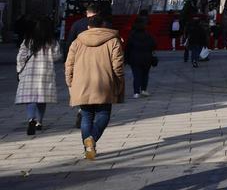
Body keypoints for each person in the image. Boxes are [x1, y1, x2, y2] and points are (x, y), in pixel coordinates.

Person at [65, 13, 124, 160]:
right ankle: (92, 138)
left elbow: (69, 65)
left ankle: (88, 147)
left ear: (88, 27)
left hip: (82, 84)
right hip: (104, 84)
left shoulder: (77, 42)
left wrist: (70, 82)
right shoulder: (113, 41)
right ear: (103, 25)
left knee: (86, 117)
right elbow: (118, 66)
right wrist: (119, 82)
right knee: (104, 114)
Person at [15, 16, 60, 136]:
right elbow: (57, 56)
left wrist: (19, 70)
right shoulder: (52, 41)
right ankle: (39, 122)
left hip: (29, 73)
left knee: (31, 99)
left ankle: (31, 119)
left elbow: (21, 56)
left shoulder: (28, 40)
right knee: (41, 99)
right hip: (45, 73)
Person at [126, 18, 157, 99]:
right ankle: (143, 89)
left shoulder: (132, 36)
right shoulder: (149, 36)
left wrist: (126, 59)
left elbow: (128, 48)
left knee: (136, 75)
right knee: (145, 74)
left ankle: (136, 92)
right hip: (147, 58)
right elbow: (154, 46)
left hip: (135, 58)